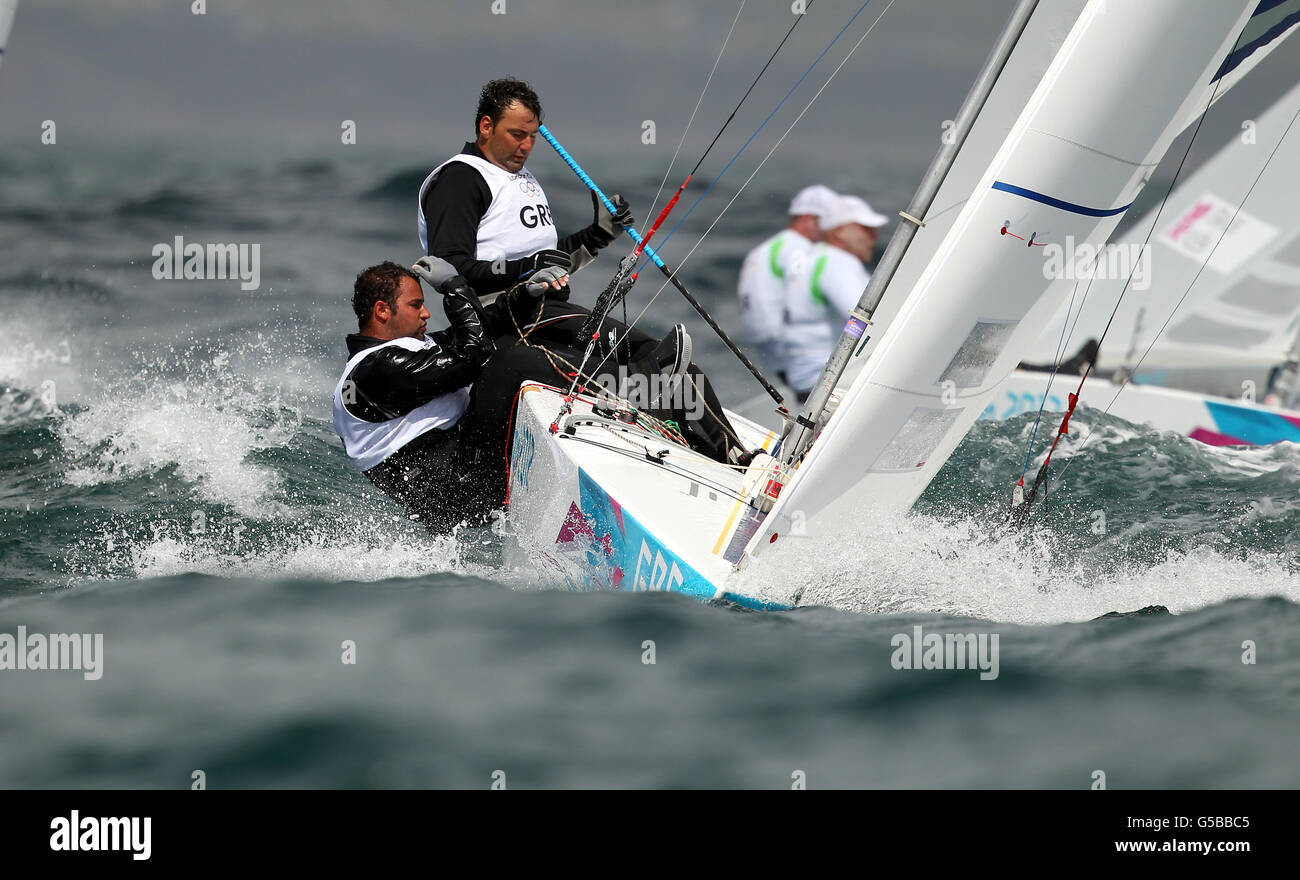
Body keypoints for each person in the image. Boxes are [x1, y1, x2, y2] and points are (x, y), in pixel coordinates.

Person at [332, 257, 567, 534]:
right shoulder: (378, 369)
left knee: (508, 344)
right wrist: (454, 287)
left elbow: (482, 331)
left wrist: (525, 294)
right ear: (382, 311)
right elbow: (477, 354)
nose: (426, 314)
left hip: (463, 475)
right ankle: (615, 390)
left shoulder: (401, 353)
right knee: (506, 361)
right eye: (416, 305)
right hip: (457, 498)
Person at [782, 194, 889, 402]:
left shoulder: (816, 258)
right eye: (866, 229)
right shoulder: (836, 263)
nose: (874, 237)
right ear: (840, 231)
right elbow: (869, 320)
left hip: (807, 383)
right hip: (826, 388)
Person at [736, 184, 838, 381]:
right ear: (808, 218)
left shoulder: (766, 248)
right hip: (790, 344)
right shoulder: (799, 248)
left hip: (765, 342)